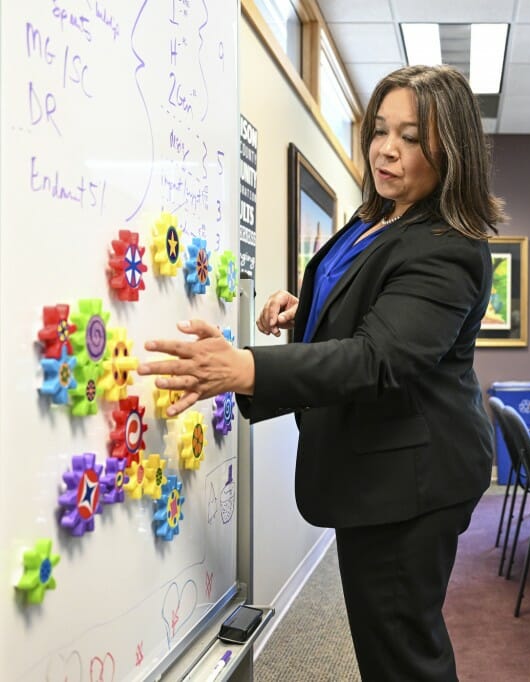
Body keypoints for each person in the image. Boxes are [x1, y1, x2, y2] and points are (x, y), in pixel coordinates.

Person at [138, 64, 505, 681]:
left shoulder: (448, 245)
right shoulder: (379, 216)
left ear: (453, 147)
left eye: (412, 137)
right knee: (383, 637)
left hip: (414, 483)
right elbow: (364, 307)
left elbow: (379, 358)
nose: (387, 149)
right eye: (380, 130)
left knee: (401, 652)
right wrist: (305, 311)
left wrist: (245, 368)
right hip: (379, 464)